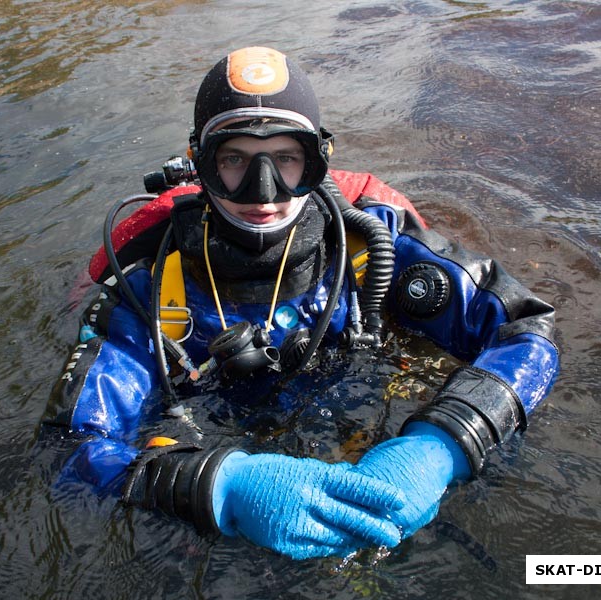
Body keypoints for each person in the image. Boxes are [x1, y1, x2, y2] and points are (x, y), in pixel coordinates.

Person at [45, 46, 559, 560]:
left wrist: (446, 441)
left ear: (317, 161)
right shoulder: (150, 284)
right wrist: (213, 485)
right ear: (199, 162)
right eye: (234, 159)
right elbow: (71, 446)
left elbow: (527, 329)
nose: (262, 191)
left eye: (287, 159)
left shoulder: (370, 246)